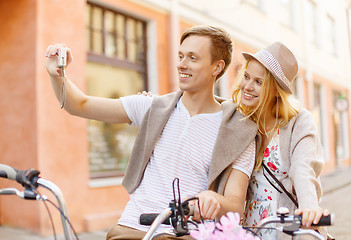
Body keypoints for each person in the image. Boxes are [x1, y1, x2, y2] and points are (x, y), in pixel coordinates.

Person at [45, 25, 259, 240]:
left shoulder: (237, 131)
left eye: (192, 58)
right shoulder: (152, 107)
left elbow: (234, 206)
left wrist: (213, 199)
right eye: (181, 56)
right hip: (132, 228)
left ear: (217, 67)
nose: (181, 65)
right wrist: (58, 75)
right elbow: (79, 104)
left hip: (183, 234)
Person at [232, 42, 329, 239]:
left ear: (276, 90)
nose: (247, 87)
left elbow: (303, 168)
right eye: (247, 77)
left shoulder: (299, 121)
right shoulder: (239, 120)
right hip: (247, 229)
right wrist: (152, 101)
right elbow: (206, 105)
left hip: (284, 227)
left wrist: (309, 206)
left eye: (259, 82)